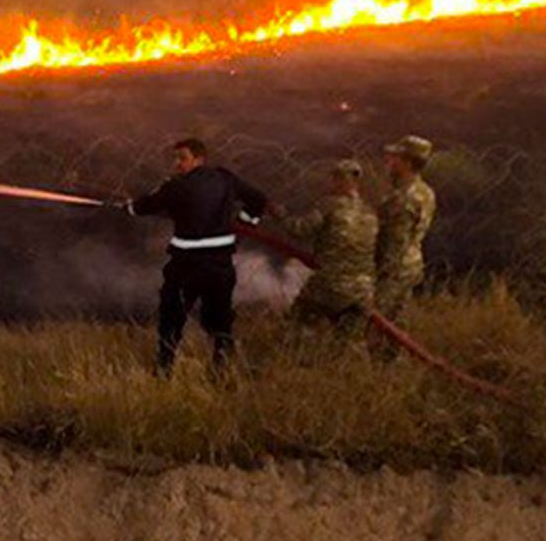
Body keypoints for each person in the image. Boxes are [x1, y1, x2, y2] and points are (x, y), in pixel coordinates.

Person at [125, 137, 273, 376]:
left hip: (186, 266)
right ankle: (221, 370)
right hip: (220, 265)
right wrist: (243, 224)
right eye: (175, 158)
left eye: (182, 158)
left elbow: (146, 206)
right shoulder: (226, 179)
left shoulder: (175, 186)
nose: (177, 164)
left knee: (172, 317)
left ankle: (164, 369)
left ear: (199, 158)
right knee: (220, 319)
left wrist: (128, 207)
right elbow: (258, 200)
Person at [282, 159, 379, 329]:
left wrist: (281, 215)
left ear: (338, 180)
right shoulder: (370, 211)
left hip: (330, 285)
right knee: (348, 340)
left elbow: (300, 230)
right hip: (364, 289)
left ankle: (297, 353)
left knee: (296, 324)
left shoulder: (329, 206)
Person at [375, 135, 437, 319]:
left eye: (396, 158)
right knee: (397, 325)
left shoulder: (403, 199)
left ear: (408, 163)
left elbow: (393, 242)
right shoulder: (425, 192)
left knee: (374, 324)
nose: (389, 161)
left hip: (393, 271)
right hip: (411, 264)